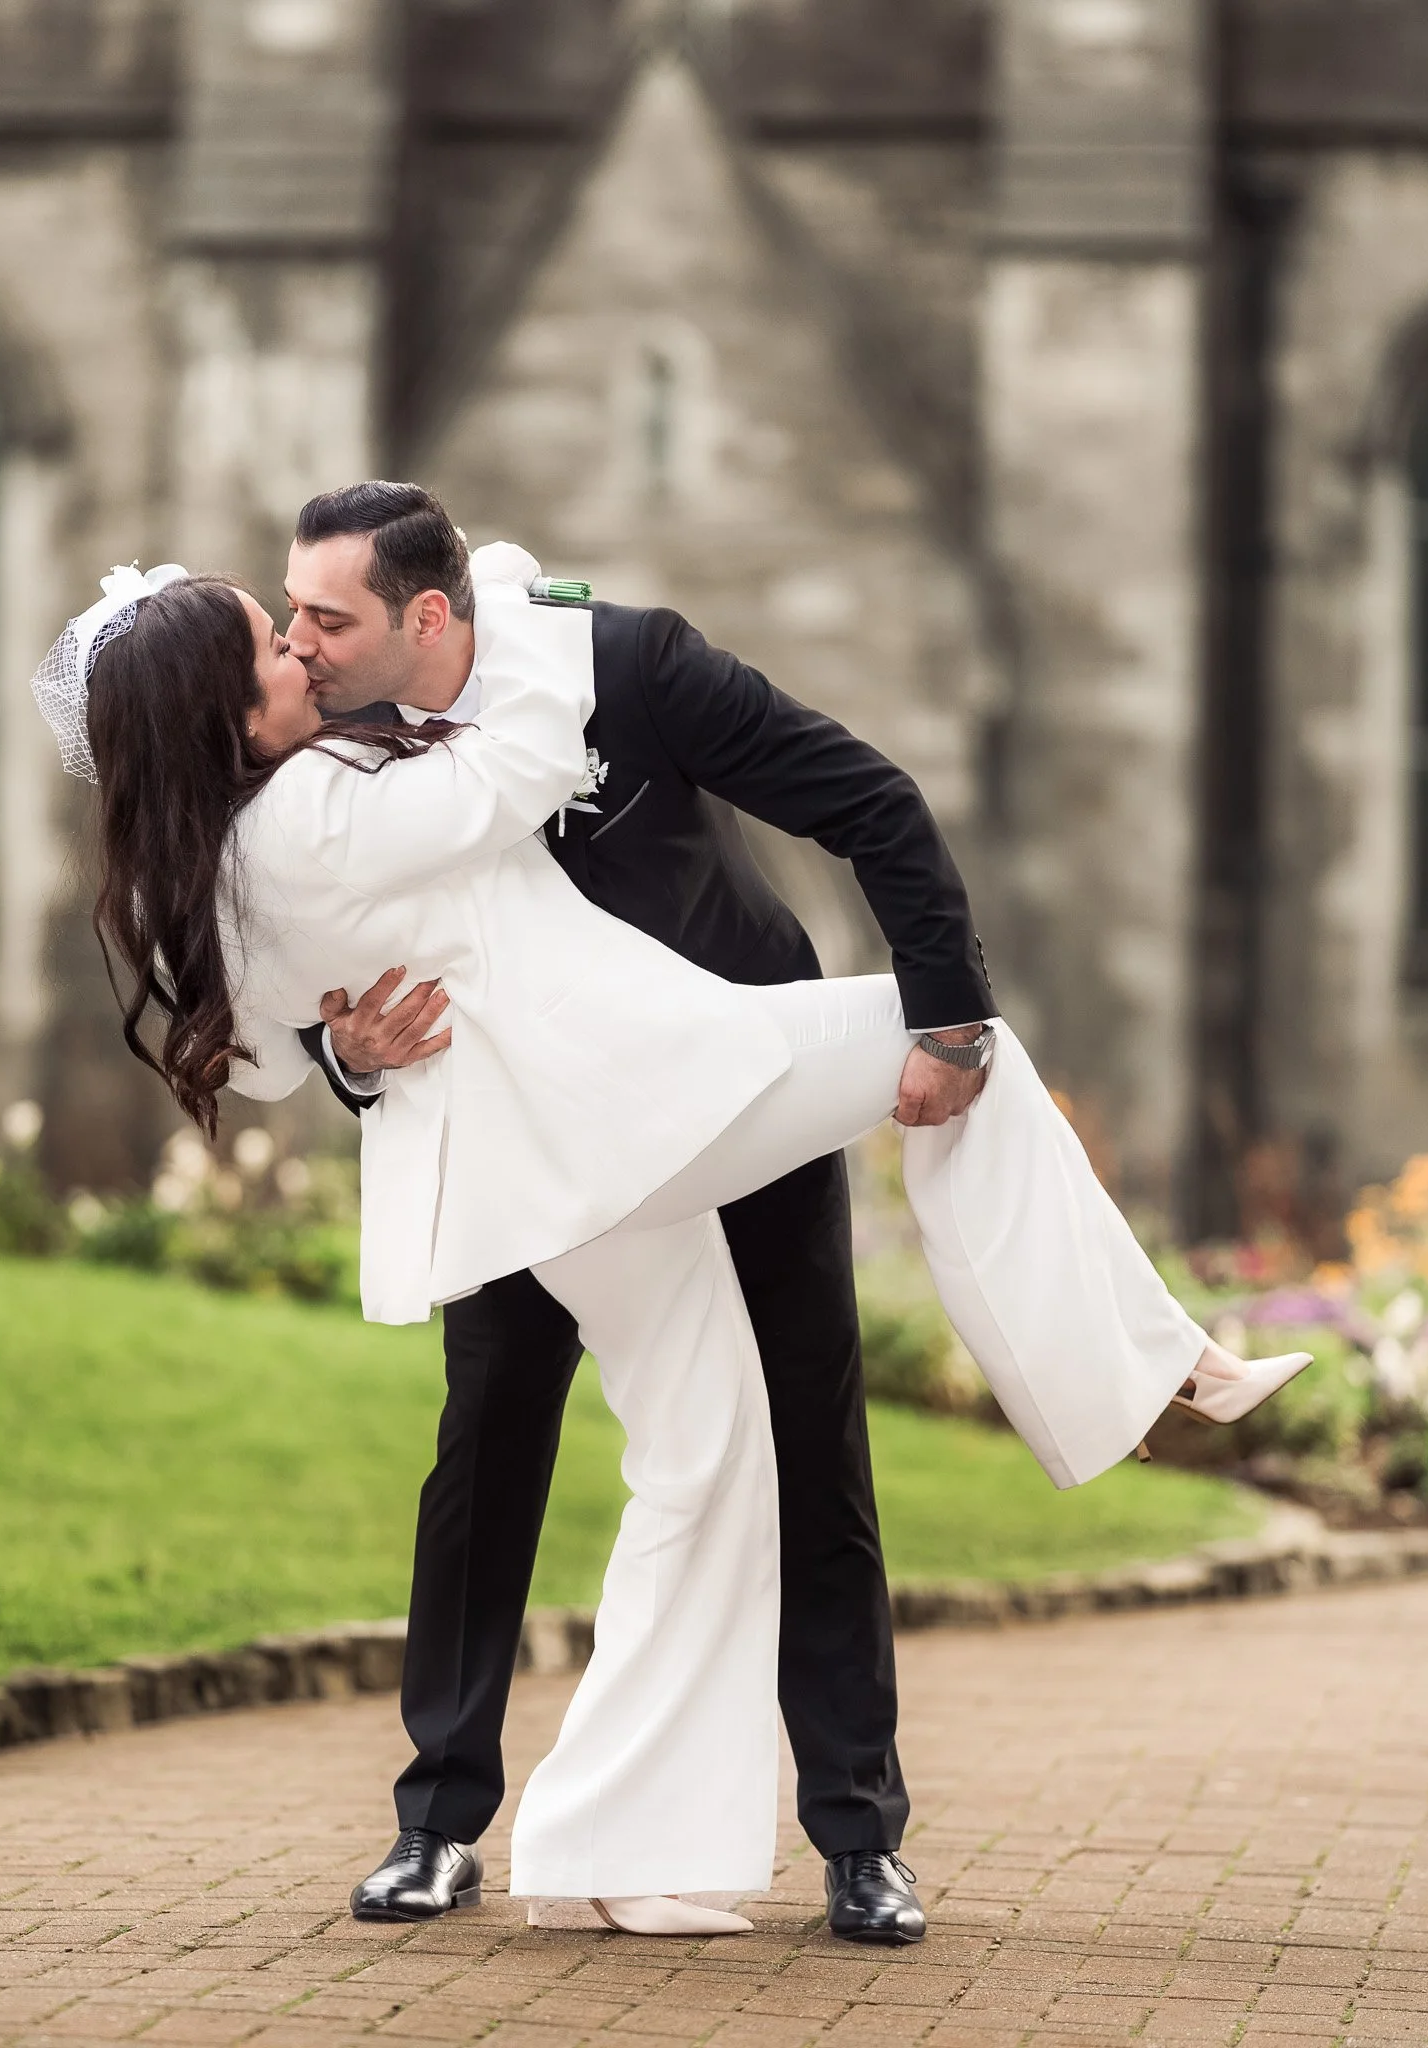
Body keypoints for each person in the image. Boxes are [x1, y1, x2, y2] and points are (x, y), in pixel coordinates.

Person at [32, 543, 1311, 1940]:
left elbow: (266, 1054)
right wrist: (515, 597)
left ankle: (617, 1845)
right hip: (632, 1103)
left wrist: (329, 1039)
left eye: (307, 623)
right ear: (225, 710)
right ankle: (1139, 1372)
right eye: (272, 641)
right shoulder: (321, 807)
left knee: (726, 1455)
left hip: (588, 1132)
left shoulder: (235, 847)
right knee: (957, 1040)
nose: (301, 646)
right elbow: (517, 761)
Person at [279, 482, 993, 1947]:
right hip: (516, 1127)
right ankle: (435, 1823)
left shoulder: (629, 667)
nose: (300, 642)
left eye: (326, 614)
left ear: (427, 612)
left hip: (735, 1090)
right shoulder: (328, 739)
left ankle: (859, 1834)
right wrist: (344, 1058)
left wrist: (947, 1018)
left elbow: (870, 800)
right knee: (487, 1441)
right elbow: (294, 953)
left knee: (808, 1429)